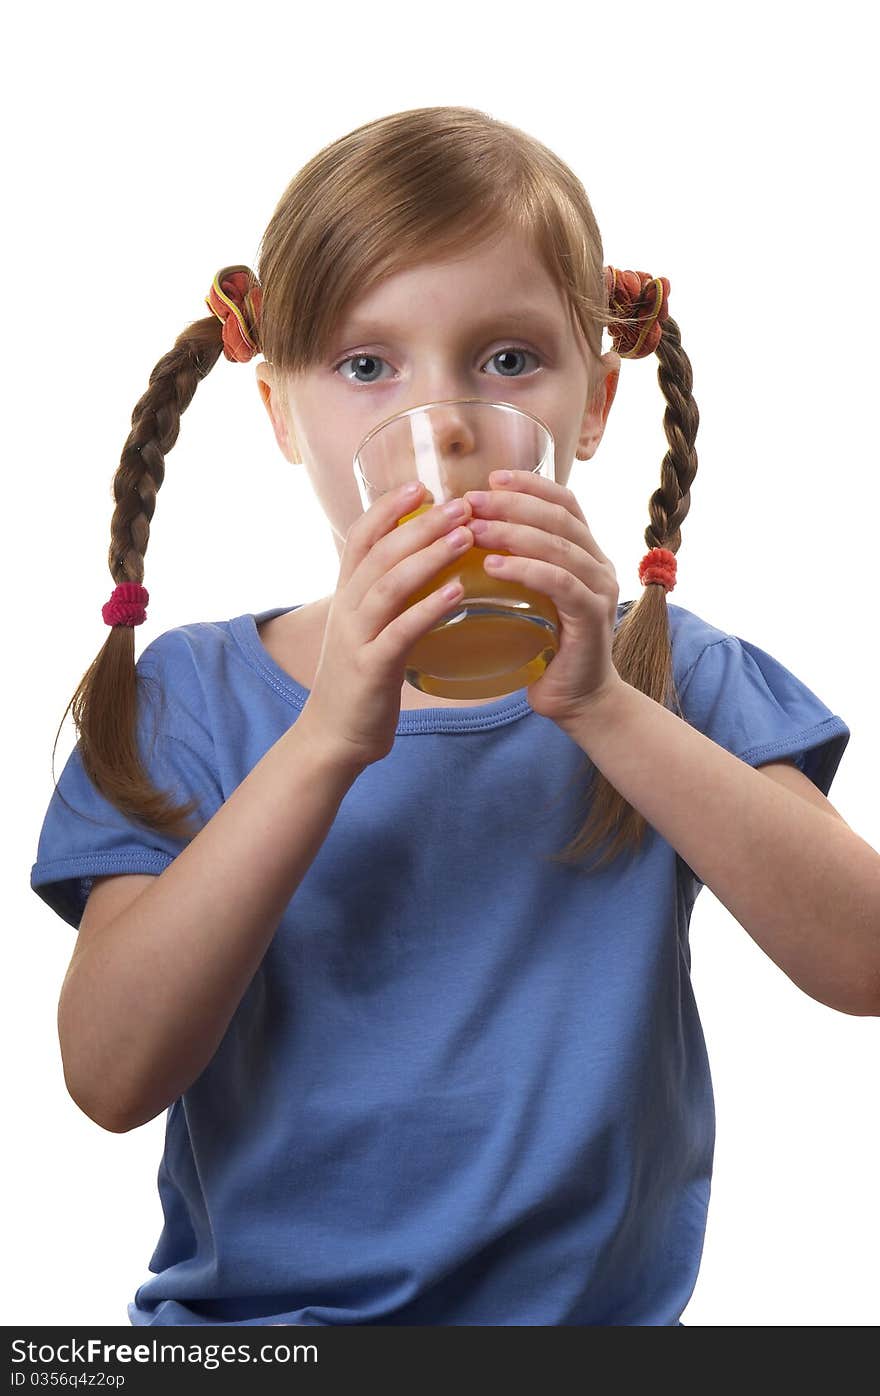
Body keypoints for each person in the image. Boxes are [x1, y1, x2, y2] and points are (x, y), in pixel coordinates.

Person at [30, 106, 857, 1328]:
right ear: (280, 414)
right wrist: (324, 741)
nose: (449, 422)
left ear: (595, 406)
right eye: (367, 366)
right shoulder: (189, 698)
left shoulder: (669, 674)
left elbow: (865, 961)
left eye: (509, 358)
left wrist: (600, 705)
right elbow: (108, 1077)